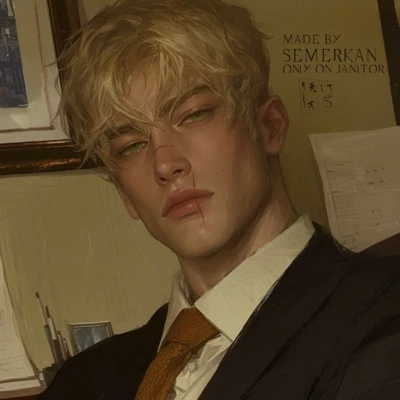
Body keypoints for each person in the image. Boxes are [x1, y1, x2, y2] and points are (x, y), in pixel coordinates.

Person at [39, 0, 400, 399]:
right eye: (131, 145)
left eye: (194, 114)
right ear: (125, 195)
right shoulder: (81, 380)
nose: (165, 164)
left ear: (270, 126)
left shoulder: (382, 316)